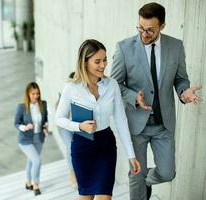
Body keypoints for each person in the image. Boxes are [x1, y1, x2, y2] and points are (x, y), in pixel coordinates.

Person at [110, 2, 202, 200]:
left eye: (150, 30)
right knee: (136, 173)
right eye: (140, 28)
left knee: (168, 173)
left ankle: (146, 181)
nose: (144, 33)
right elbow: (114, 84)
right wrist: (135, 97)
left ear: (162, 26)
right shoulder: (124, 48)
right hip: (136, 124)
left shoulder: (175, 46)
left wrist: (184, 92)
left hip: (163, 125)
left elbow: (180, 79)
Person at [55, 39, 141, 200]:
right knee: (86, 198)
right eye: (97, 61)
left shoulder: (112, 85)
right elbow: (58, 119)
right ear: (85, 62)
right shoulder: (71, 88)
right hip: (82, 146)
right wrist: (79, 126)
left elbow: (121, 121)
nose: (103, 65)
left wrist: (131, 155)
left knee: (105, 197)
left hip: (106, 146)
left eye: (105, 59)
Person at [14, 82, 49, 196]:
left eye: (37, 93)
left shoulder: (43, 104)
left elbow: (45, 119)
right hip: (25, 140)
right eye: (33, 94)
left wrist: (45, 127)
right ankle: (36, 185)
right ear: (28, 94)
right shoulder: (22, 107)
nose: (36, 96)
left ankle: (28, 182)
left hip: (39, 137)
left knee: (31, 161)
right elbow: (16, 123)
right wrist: (25, 127)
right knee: (37, 161)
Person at [55, 72, 77, 188]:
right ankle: (72, 173)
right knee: (70, 147)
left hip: (76, 125)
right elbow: (59, 114)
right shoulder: (65, 92)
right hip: (64, 126)